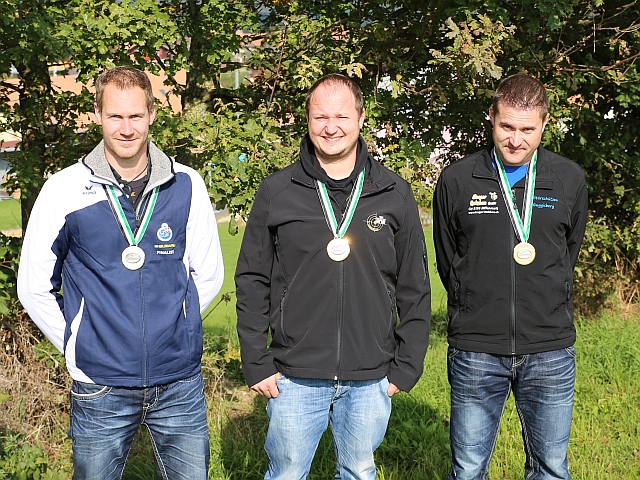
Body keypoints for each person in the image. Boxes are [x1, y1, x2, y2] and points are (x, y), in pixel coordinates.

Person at [17, 66, 224, 479]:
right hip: (100, 386)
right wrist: (79, 347)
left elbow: (209, 273)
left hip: (178, 383)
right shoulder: (64, 189)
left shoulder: (186, 183)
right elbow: (34, 286)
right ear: (97, 114)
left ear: (152, 114)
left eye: (135, 116)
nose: (126, 129)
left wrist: (175, 330)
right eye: (115, 116)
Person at [235, 73, 431, 480]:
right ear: (307, 119)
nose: (330, 127)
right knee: (286, 474)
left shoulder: (394, 192)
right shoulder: (277, 191)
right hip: (293, 373)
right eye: (320, 116)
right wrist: (256, 360)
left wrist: (407, 365)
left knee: (359, 472)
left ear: (361, 118)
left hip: (371, 374)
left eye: (341, 116)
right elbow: (252, 280)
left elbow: (415, 285)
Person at [432, 73, 588, 480]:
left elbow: (566, 255)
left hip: (549, 348)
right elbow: (449, 261)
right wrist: (473, 303)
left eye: (527, 129)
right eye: (507, 127)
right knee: (468, 470)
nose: (516, 140)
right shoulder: (458, 179)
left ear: (544, 123)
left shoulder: (568, 178)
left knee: (551, 468)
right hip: (476, 349)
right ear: (491, 116)